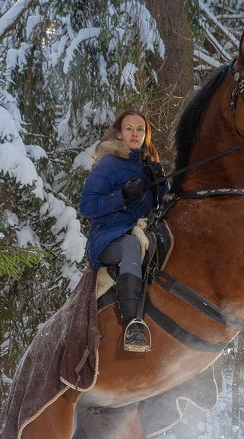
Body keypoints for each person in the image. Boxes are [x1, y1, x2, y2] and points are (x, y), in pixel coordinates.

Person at [79, 109, 166, 352]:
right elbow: (86, 206)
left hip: (141, 231)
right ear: (120, 132)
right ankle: (132, 324)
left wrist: (160, 184)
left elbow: (159, 207)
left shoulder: (148, 166)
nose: (135, 133)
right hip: (108, 238)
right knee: (131, 246)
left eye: (141, 129)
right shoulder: (109, 164)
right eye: (129, 128)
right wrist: (122, 195)